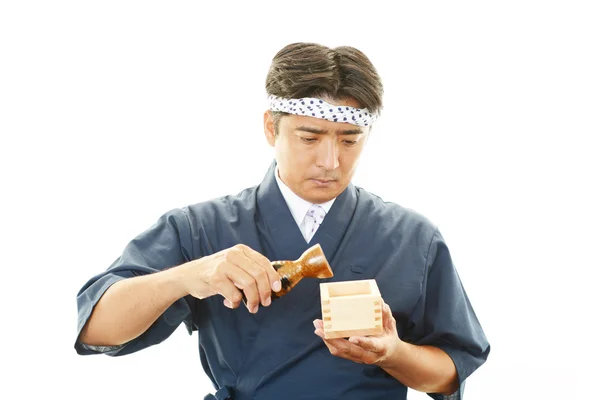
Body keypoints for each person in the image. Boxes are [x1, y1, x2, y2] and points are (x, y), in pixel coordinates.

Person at [74, 42, 490, 400]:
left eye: (349, 141)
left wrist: (393, 353)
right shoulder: (200, 228)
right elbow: (96, 328)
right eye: (310, 138)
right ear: (271, 128)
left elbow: (453, 368)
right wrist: (189, 276)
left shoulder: (412, 238)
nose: (331, 162)